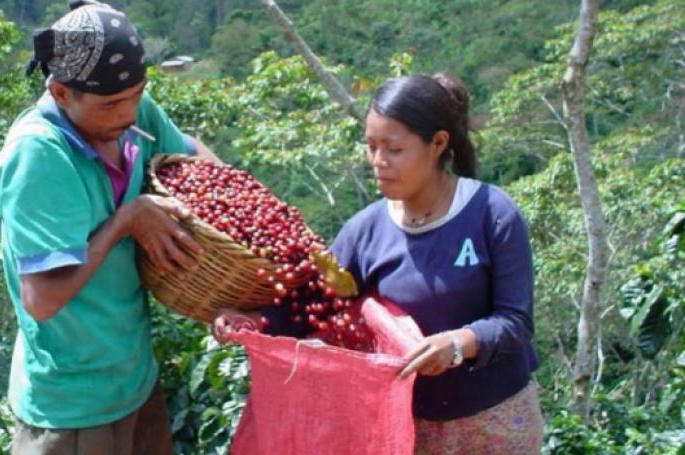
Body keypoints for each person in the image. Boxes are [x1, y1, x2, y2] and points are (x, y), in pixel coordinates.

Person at [213, 73, 543, 454]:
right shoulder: (365, 231)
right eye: (371, 147)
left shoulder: (492, 214)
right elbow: (314, 306)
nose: (378, 161)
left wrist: (456, 345)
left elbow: (515, 321)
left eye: (394, 149)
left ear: (438, 143)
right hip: (408, 427)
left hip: (495, 422)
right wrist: (255, 321)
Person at [0, 1, 219, 453]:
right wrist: (126, 221)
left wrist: (244, 208)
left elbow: (194, 159)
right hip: (72, 406)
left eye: (137, 95)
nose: (127, 115)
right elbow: (42, 299)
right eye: (112, 104)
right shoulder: (38, 157)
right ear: (60, 94)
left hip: (133, 379)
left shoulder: (131, 112)